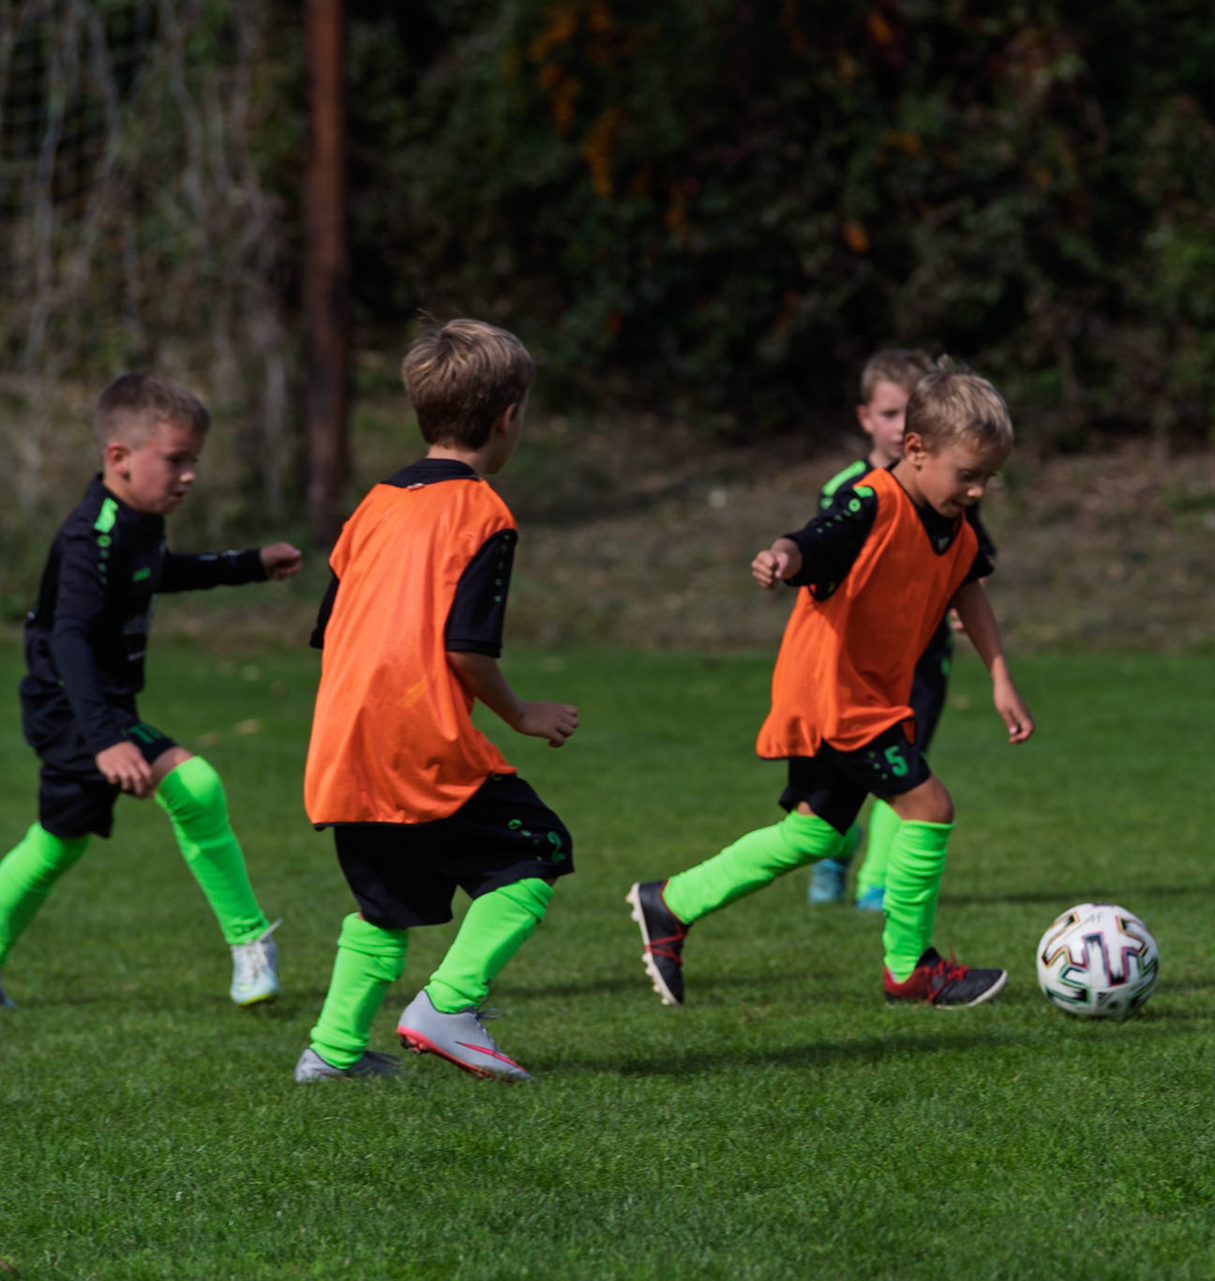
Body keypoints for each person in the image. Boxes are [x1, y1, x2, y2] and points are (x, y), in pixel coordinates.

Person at [628, 358, 1033, 1008]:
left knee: (815, 834)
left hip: (869, 699)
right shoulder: (872, 502)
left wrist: (1001, 677)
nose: (978, 490)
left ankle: (671, 903)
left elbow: (969, 587)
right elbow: (811, 541)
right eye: (968, 474)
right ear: (916, 449)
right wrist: (781, 559)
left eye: (988, 477)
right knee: (930, 806)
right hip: (837, 698)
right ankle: (909, 967)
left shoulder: (952, 524)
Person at [295, 319, 579, 1082]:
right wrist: (522, 713)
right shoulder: (482, 513)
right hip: (419, 741)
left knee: (385, 900)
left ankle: (331, 1051)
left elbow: (330, 627)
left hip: (345, 742)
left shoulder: (373, 505)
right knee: (537, 849)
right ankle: (448, 1006)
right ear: (508, 417)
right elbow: (465, 648)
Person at [0, 374, 299, 1010]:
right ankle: (250, 941)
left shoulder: (140, 521)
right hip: (71, 708)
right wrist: (105, 739)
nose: (189, 476)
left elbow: (158, 573)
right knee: (195, 787)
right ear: (120, 456)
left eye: (195, 461)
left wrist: (248, 563)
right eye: (176, 460)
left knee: (56, 844)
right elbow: (69, 639)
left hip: (91, 706)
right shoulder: (91, 536)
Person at [808, 349, 996, 914]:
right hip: (854, 665)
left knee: (908, 766)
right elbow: (826, 562)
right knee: (842, 780)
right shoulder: (849, 490)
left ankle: (878, 883)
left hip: (923, 659)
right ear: (866, 417)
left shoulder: (951, 489)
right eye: (890, 414)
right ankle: (836, 853)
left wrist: (960, 602)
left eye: (909, 413)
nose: (899, 426)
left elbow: (969, 564)